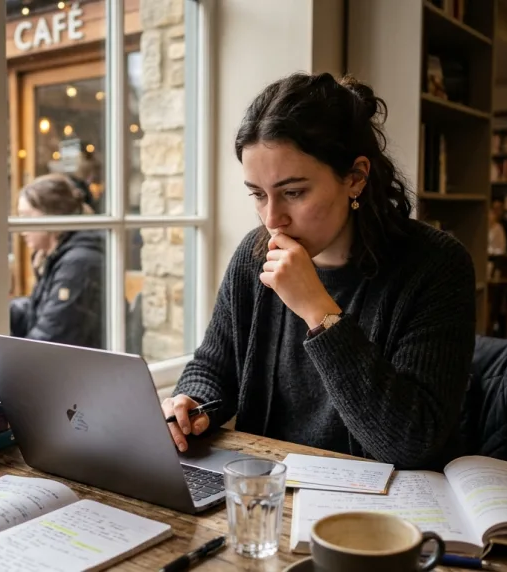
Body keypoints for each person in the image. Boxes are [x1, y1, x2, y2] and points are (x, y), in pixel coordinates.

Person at [161, 73, 477, 470]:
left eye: (294, 192)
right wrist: (190, 402)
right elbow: (214, 367)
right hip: (272, 490)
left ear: (355, 178)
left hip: (387, 508)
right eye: (258, 195)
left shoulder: (436, 266)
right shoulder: (253, 255)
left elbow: (412, 442)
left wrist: (318, 312)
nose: (272, 218)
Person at [0, 174, 105, 349]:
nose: (21, 229)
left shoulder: (78, 263)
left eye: (26, 216)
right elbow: (38, 310)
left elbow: (51, 340)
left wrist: (9, 358)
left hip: (79, 372)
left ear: (52, 216)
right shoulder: (57, 256)